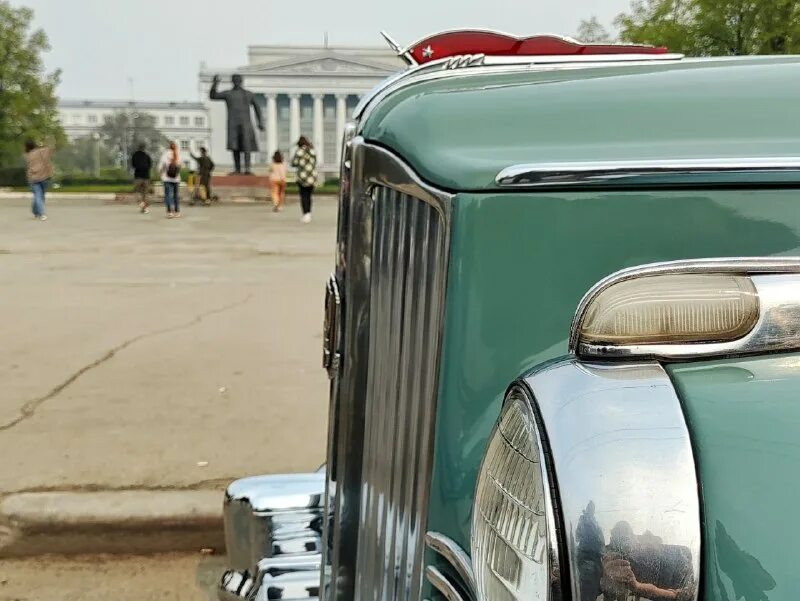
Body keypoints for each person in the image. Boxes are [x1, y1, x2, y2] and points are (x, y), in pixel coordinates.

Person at [24, 139, 53, 221]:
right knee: (40, 196)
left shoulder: (28, 155)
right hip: (45, 177)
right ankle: (42, 213)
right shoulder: (43, 151)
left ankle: (35, 211)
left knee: (38, 196)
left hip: (34, 178)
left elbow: (29, 167)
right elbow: (50, 148)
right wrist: (42, 144)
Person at [291, 136, 317, 223]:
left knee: (303, 196)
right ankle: (309, 213)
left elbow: (294, 163)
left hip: (302, 177)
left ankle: (305, 214)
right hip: (312, 176)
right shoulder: (312, 151)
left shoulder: (299, 152)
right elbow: (315, 162)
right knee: (309, 196)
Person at [158, 141, 182, 218]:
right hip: (176, 178)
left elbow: (161, 166)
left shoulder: (165, 154)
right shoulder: (178, 155)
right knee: (175, 195)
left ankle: (169, 212)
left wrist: (160, 173)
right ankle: (177, 212)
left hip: (166, 178)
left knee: (168, 195)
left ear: (169, 146)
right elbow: (180, 167)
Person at [130, 144, 152, 213]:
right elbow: (150, 165)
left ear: (138, 148)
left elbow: (133, 165)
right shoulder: (147, 156)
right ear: (144, 148)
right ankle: (144, 208)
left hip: (138, 176)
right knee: (145, 193)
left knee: (136, 191)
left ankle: (141, 203)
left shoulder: (134, 155)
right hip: (146, 176)